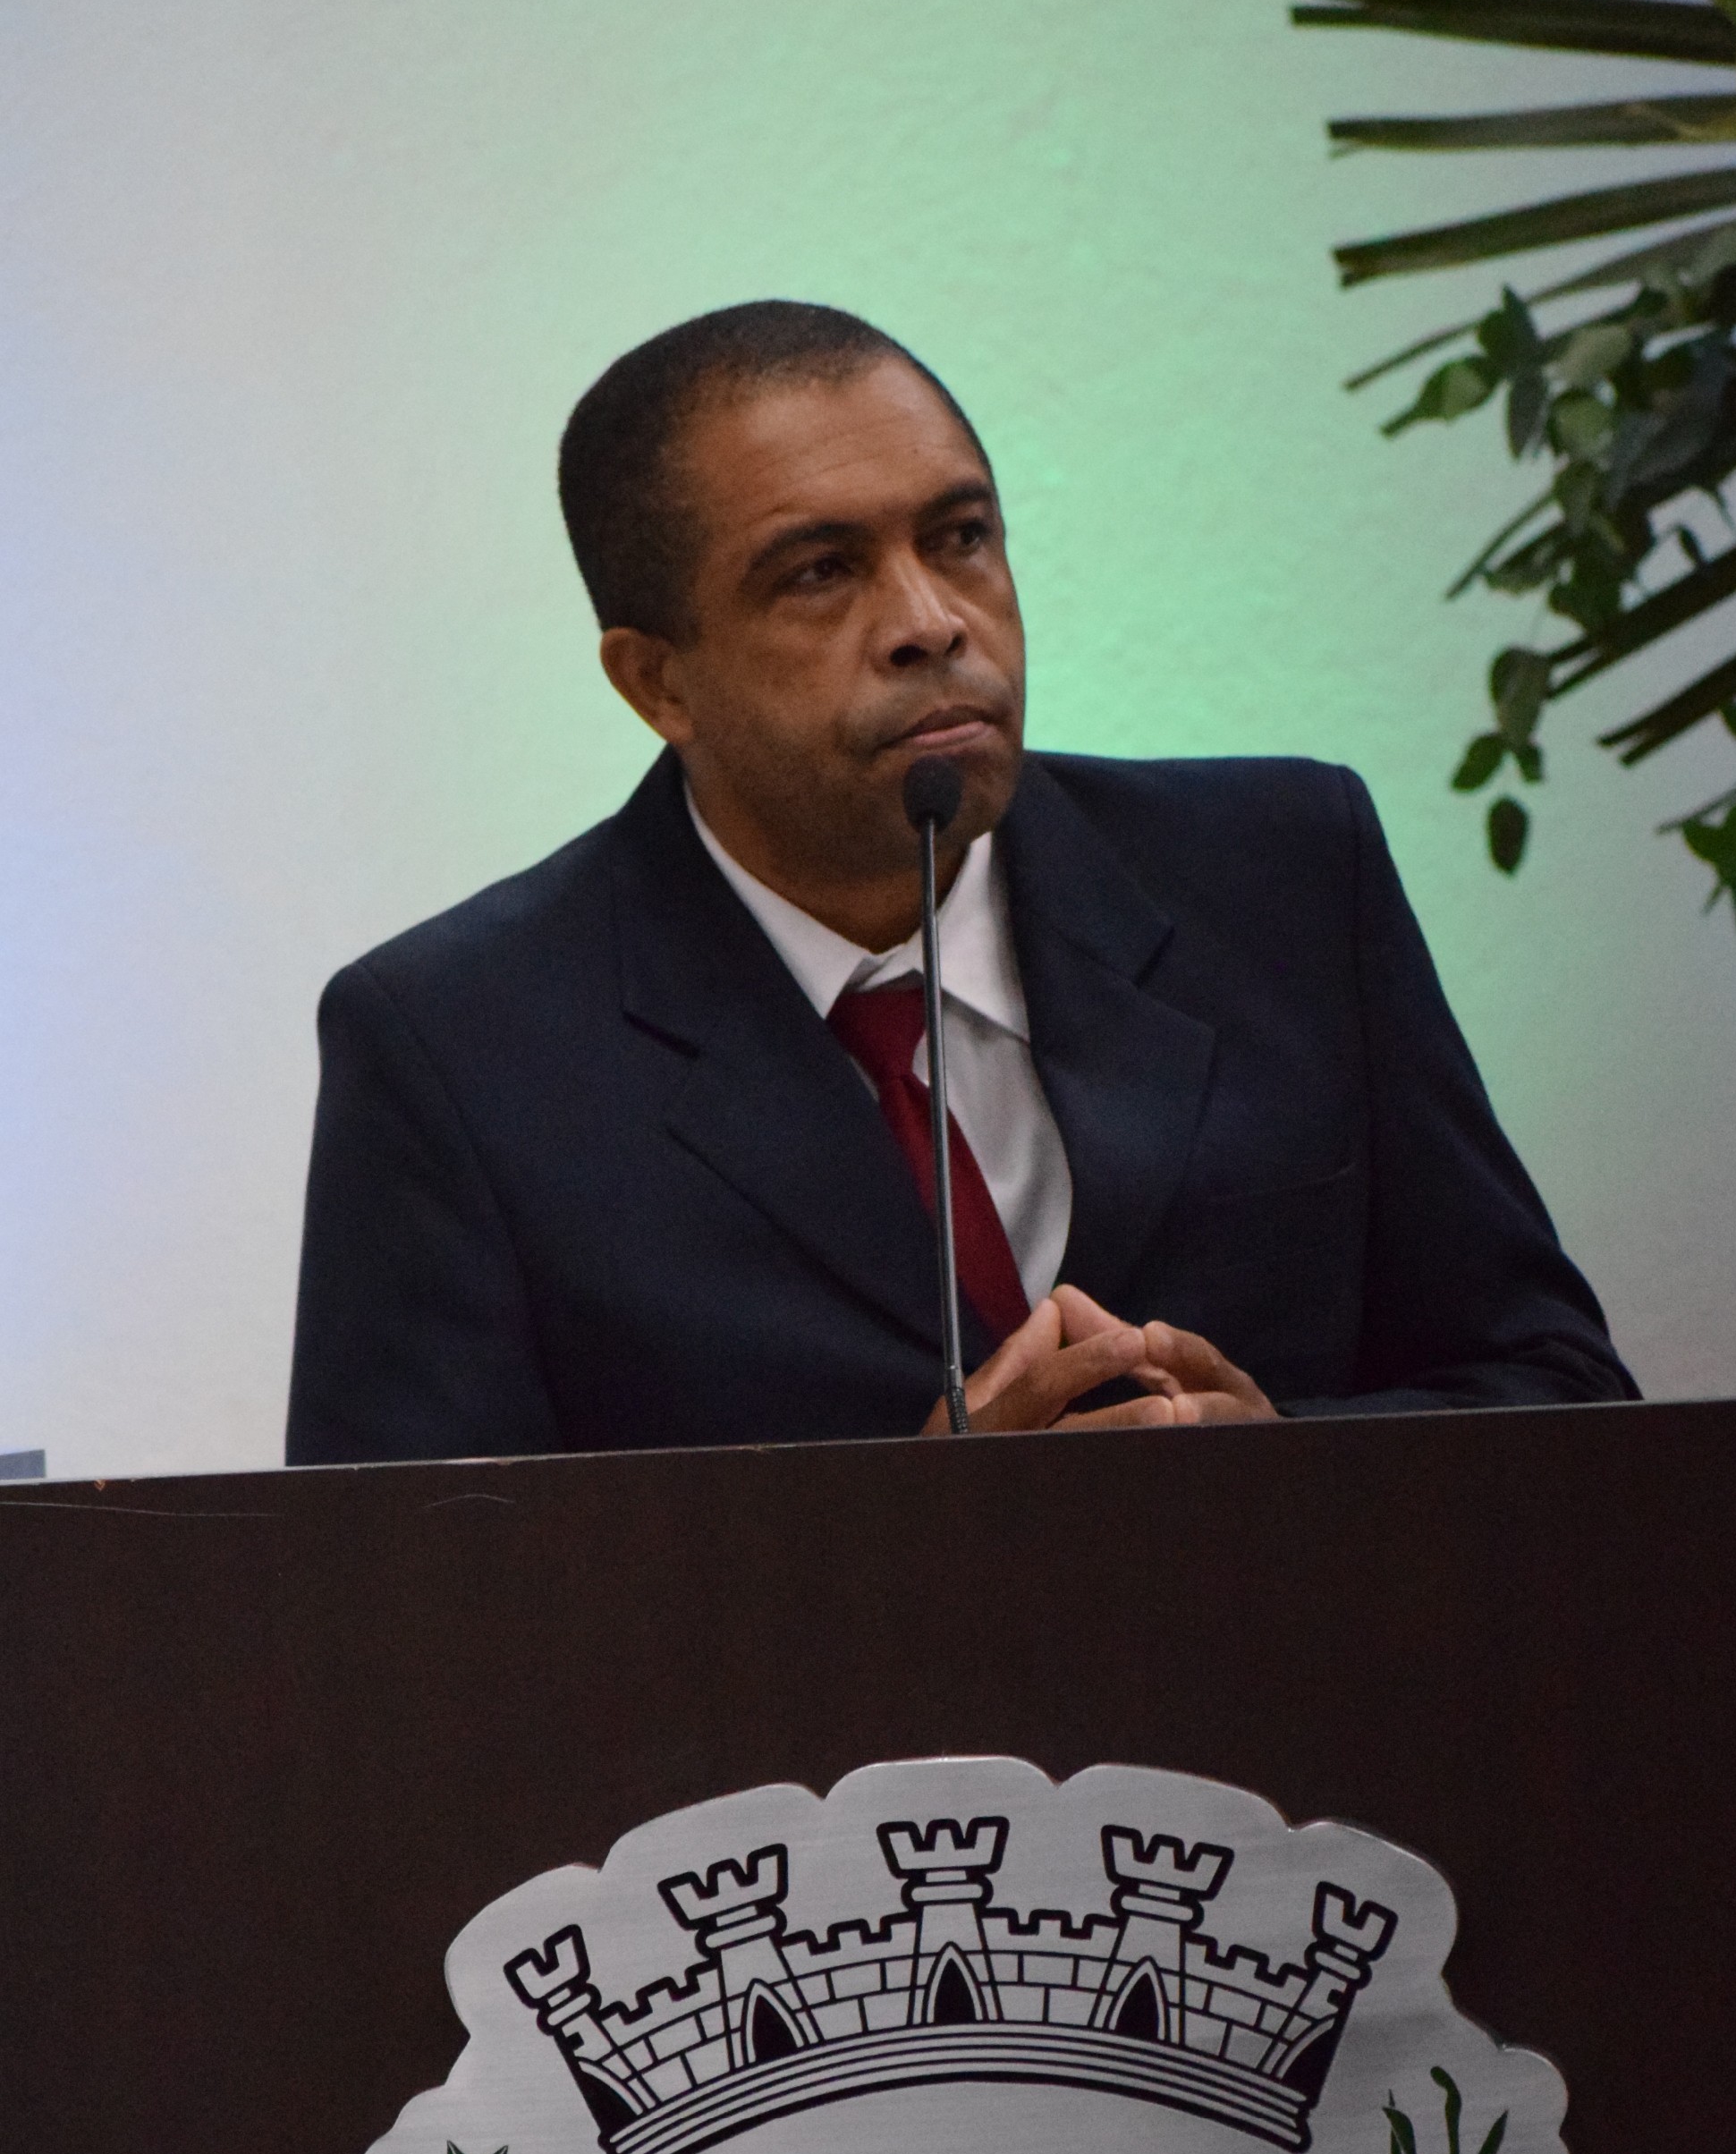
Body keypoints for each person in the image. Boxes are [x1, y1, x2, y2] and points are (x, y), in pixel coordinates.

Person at [285, 302, 1634, 1461]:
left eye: (961, 537)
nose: (931, 622)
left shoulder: (1281, 873)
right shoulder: (461, 1048)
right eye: (821, 573)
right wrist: (904, 1541)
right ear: (658, 682)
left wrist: (1287, 1468)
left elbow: (1561, 1395)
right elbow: (412, 1606)